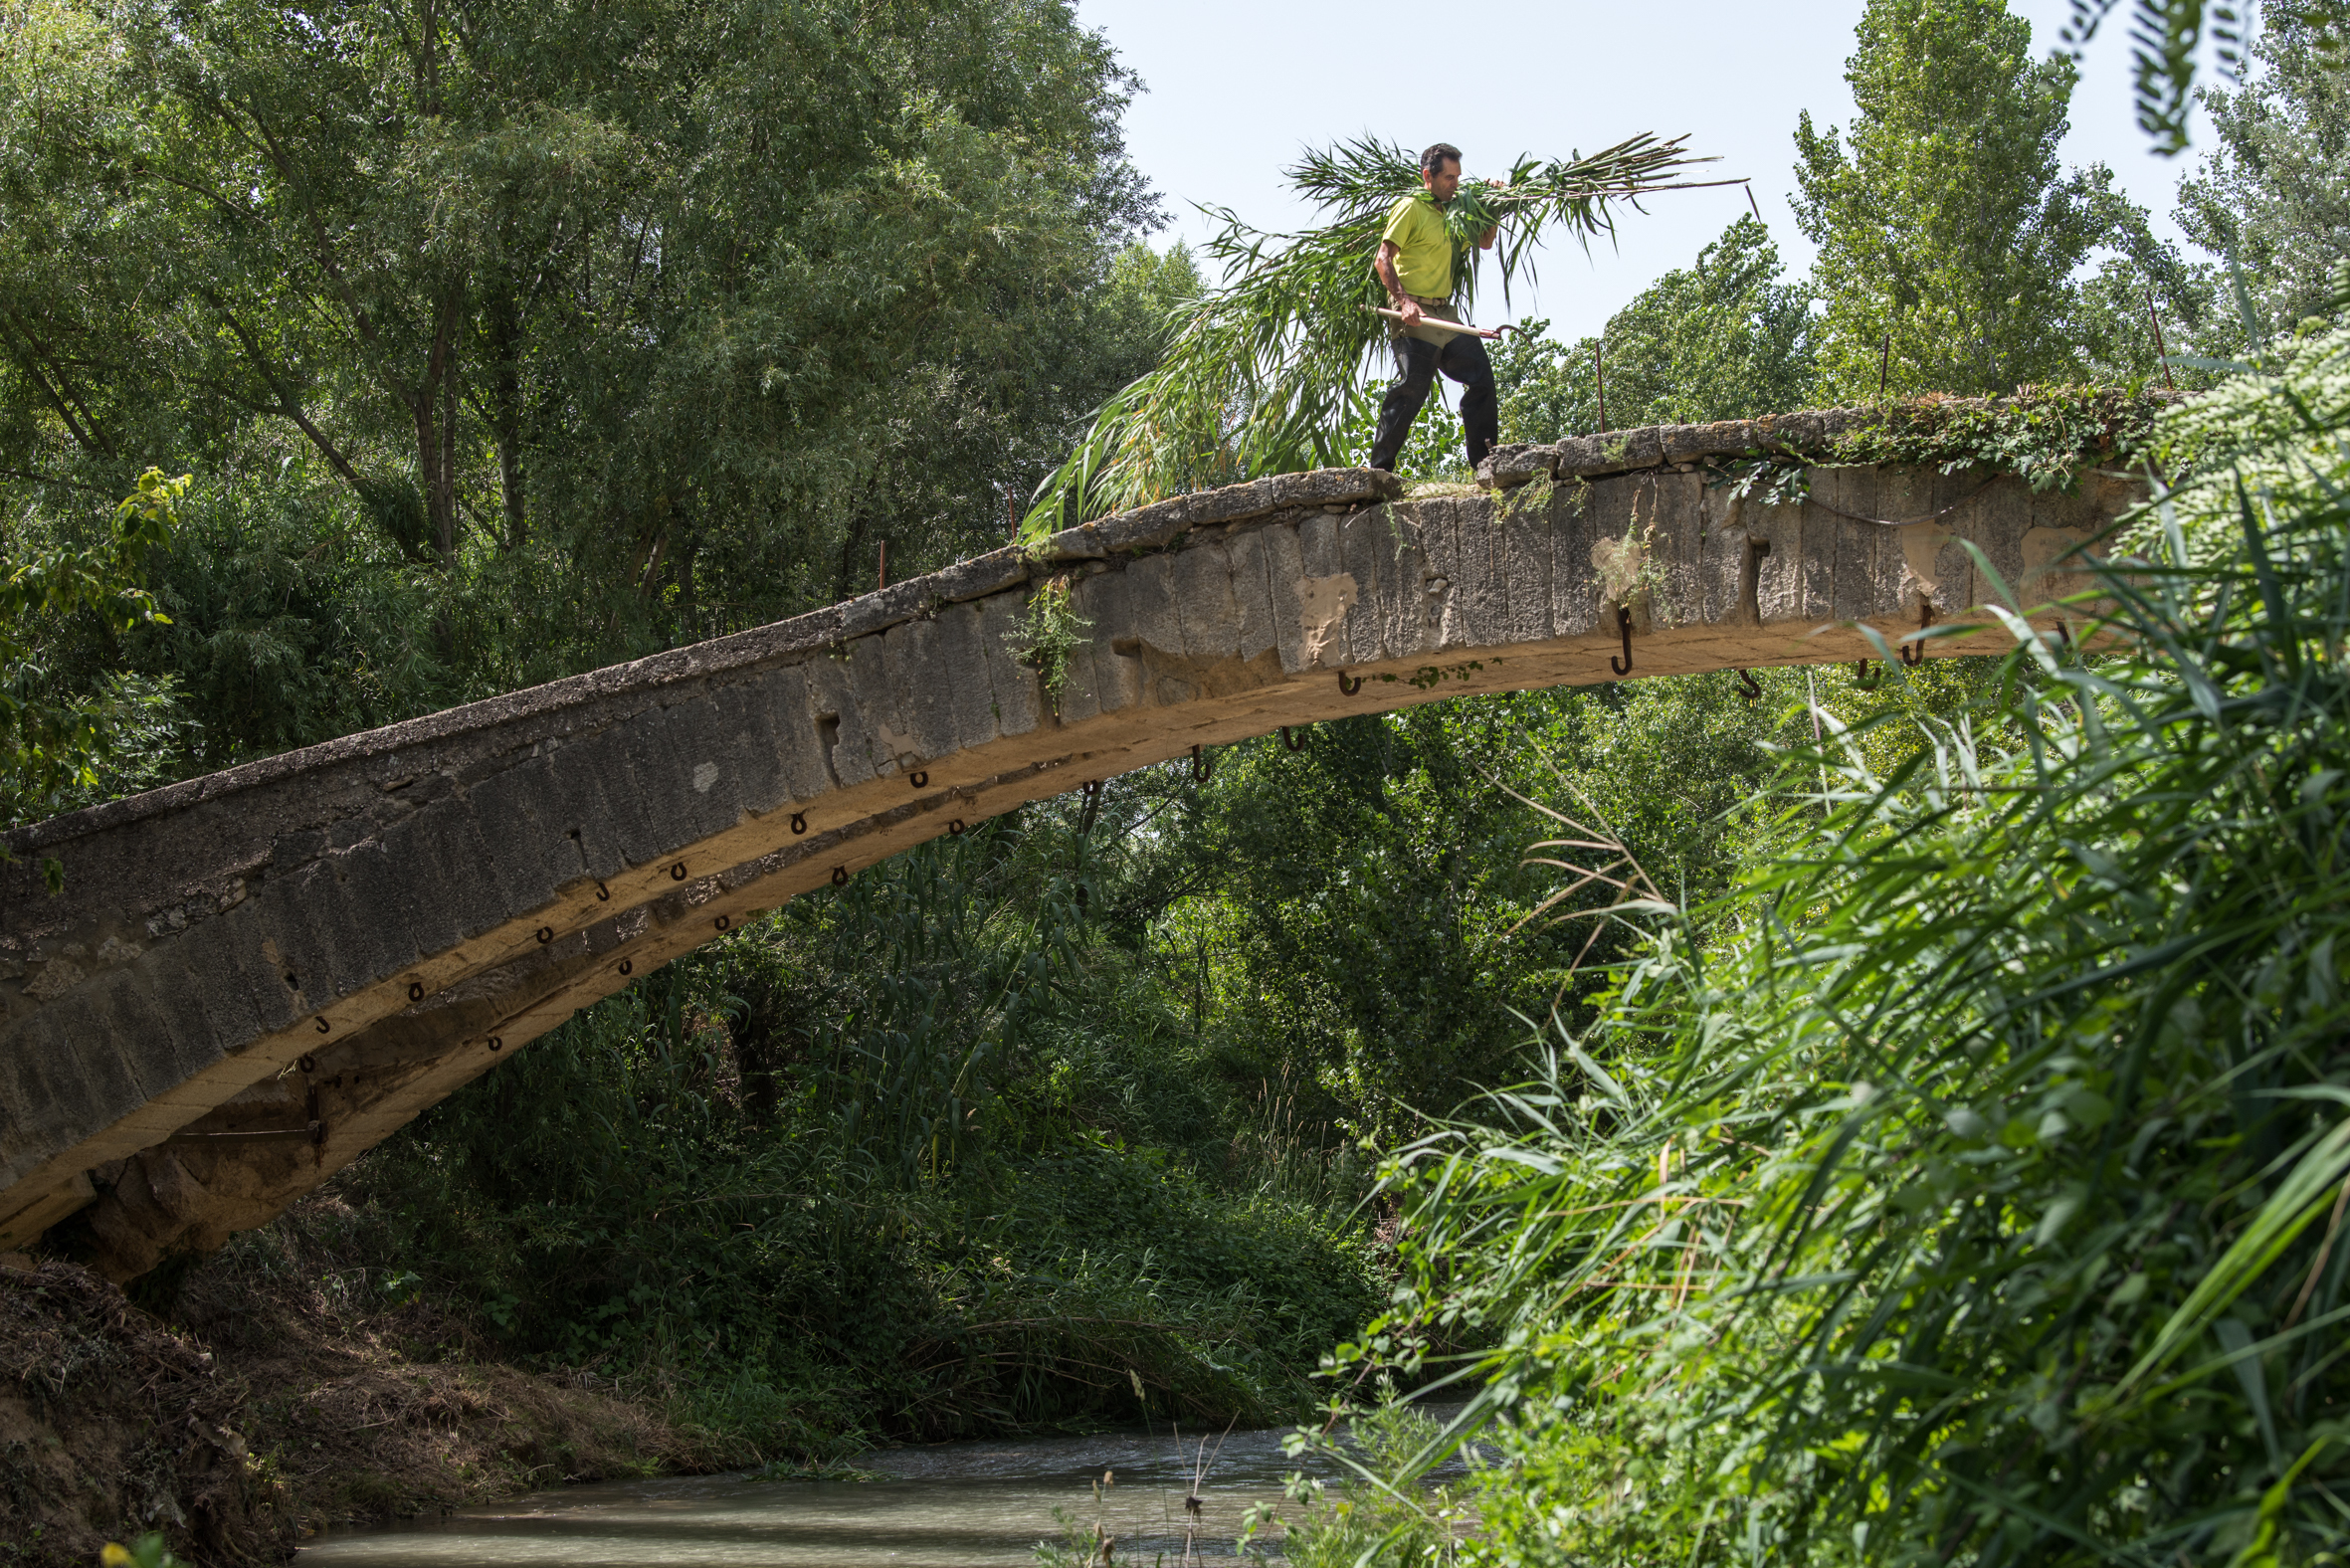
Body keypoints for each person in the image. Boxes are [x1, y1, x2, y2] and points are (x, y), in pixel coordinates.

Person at [1367, 142, 1501, 474]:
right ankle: (1379, 471)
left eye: (1458, 177)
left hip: (1445, 315)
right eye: (1449, 178)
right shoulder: (1410, 208)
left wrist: (1493, 205)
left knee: (1482, 379)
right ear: (1428, 175)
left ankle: (1486, 464)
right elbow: (1382, 259)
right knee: (1412, 388)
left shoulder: (1454, 212)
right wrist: (1405, 301)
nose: (1455, 184)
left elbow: (1484, 241)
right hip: (1414, 314)